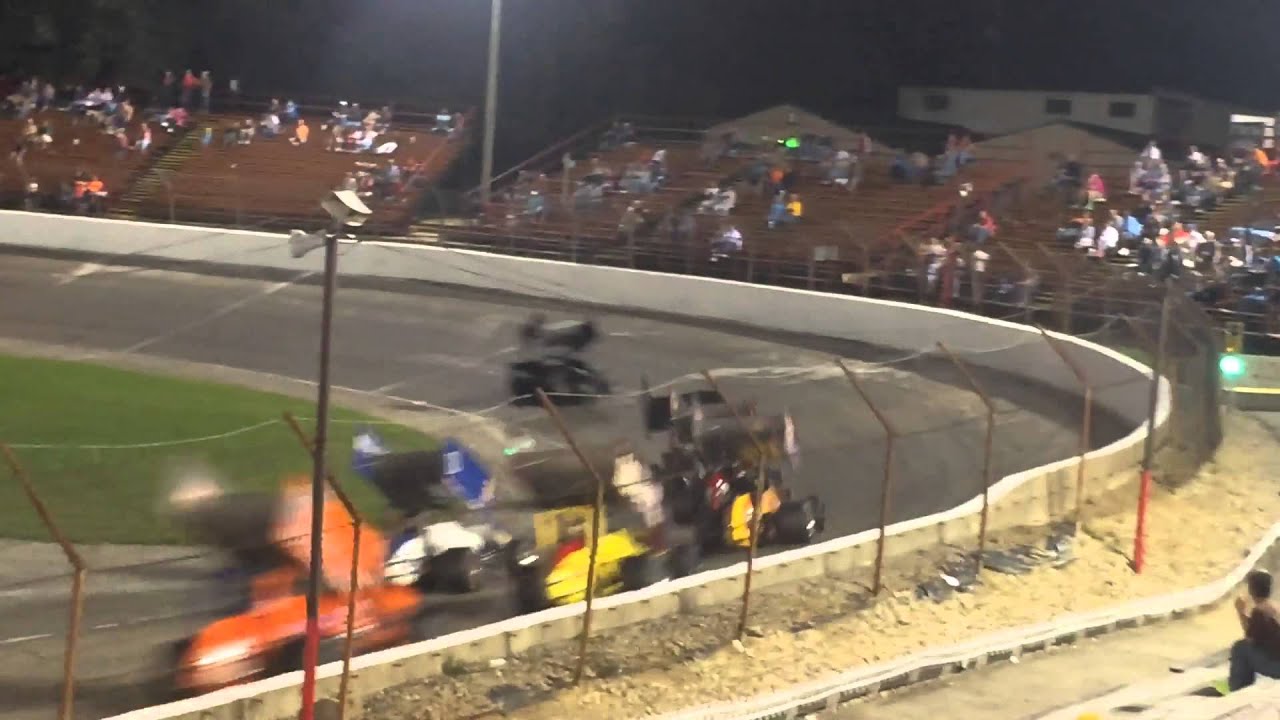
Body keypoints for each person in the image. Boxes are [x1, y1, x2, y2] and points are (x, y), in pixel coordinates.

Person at [1227, 570, 1280, 691]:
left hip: (1276, 667)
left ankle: (1237, 687)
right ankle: (1241, 683)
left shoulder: (1259, 611)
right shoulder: (1274, 606)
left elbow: (1250, 638)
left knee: (1240, 647)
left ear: (1251, 590)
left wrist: (1240, 612)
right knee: (1245, 647)